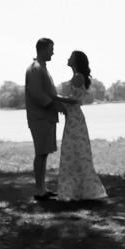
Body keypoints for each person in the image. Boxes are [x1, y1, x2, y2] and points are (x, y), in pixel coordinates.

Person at [25, 38, 77, 201]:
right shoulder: (35, 68)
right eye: (50, 49)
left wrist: (59, 103)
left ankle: (43, 188)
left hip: (47, 117)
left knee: (44, 153)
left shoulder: (42, 68)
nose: (53, 52)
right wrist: (56, 105)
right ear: (42, 49)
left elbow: (49, 93)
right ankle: (39, 190)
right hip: (40, 117)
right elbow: (37, 94)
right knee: (40, 152)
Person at [57, 50, 107, 202]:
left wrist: (55, 97)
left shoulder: (78, 77)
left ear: (77, 60)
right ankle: (77, 191)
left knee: (76, 153)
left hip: (75, 119)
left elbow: (75, 100)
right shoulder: (77, 76)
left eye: (71, 57)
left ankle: (80, 191)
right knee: (74, 153)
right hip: (73, 118)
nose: (68, 58)